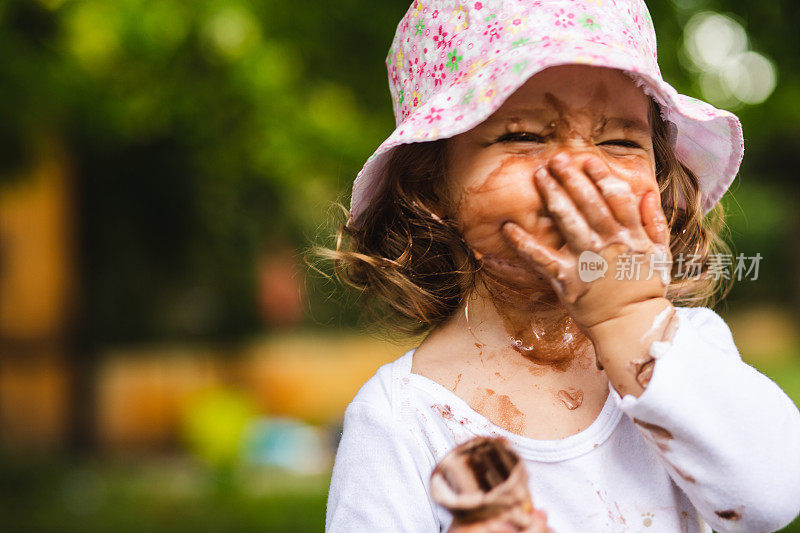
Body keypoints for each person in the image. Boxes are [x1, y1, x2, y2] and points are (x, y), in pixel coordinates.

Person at [318, 0, 800, 531]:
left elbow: (775, 497)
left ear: (658, 184)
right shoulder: (402, 418)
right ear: (431, 188)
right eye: (523, 135)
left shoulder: (686, 351)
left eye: (620, 141)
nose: (582, 168)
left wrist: (633, 322)